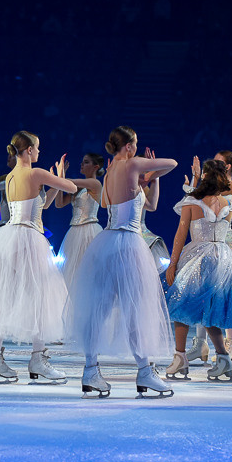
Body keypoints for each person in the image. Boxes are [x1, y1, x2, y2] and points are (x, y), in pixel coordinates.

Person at [69, 126, 177, 398]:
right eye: (135, 144)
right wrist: (146, 171)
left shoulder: (109, 174)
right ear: (128, 146)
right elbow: (172, 164)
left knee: (101, 308)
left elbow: (105, 205)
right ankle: (144, 371)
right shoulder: (133, 164)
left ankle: (91, 370)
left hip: (106, 243)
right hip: (128, 244)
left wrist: (142, 178)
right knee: (135, 308)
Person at [0, 131, 77, 383]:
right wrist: (58, 176)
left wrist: (53, 182)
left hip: (8, 238)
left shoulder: (12, 175)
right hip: (28, 239)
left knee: (3, 296)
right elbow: (72, 187)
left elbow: (43, 206)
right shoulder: (35, 173)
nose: (39, 152)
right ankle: (37, 358)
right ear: (27, 151)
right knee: (38, 297)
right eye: (37, 147)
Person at [165, 159, 232, 382]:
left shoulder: (192, 202)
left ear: (206, 177)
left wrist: (173, 264)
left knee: (182, 304)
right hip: (223, 259)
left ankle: (180, 358)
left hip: (199, 259)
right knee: (208, 311)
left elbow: (180, 236)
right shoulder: (229, 202)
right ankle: (223, 358)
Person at [181, 150, 232, 364]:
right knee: (201, 290)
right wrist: (196, 180)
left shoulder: (230, 187)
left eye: (218, 164)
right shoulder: (210, 185)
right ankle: (200, 344)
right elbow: (198, 200)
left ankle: (230, 343)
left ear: (228, 168)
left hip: (224, 242)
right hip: (206, 241)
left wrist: (196, 183)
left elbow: (205, 199)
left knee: (224, 296)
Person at [55, 153, 104, 290]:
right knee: (72, 271)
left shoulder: (95, 183)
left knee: (89, 269)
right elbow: (59, 204)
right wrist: (60, 182)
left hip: (89, 230)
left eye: (86, 162)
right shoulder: (77, 189)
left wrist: (60, 177)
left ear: (96, 167)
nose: (82, 164)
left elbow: (69, 181)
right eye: (82, 162)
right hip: (74, 232)